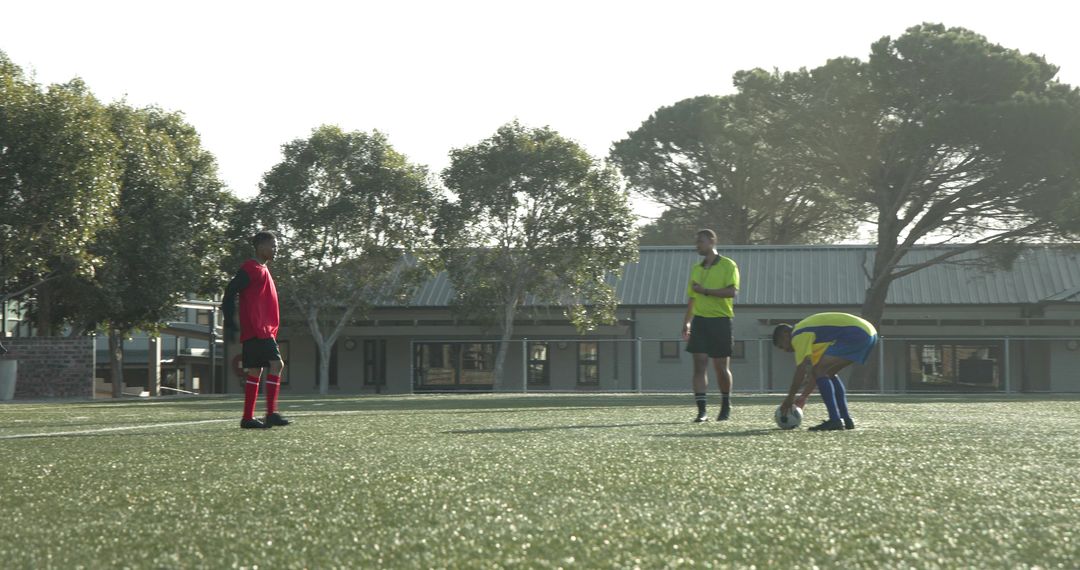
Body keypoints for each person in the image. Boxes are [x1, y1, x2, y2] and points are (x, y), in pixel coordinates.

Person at [223, 231, 290, 429]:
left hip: (259, 329)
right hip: (260, 329)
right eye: (272, 245)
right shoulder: (250, 268)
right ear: (260, 246)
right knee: (277, 365)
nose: (275, 249)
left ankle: (247, 418)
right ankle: (271, 414)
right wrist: (229, 321)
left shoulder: (263, 268)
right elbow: (230, 291)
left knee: (255, 370)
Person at [772, 312, 879, 431]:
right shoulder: (812, 337)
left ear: (785, 334)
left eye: (782, 346)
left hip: (857, 333)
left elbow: (801, 370)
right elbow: (816, 375)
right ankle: (846, 420)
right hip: (870, 333)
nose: (785, 350)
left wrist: (790, 398)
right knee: (828, 373)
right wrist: (803, 397)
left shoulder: (798, 335)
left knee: (821, 370)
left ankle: (835, 420)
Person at [682, 229, 739, 422]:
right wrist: (687, 322)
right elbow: (692, 297)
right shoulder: (697, 268)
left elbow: (732, 292)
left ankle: (725, 405)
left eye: (701, 241)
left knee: (721, 367)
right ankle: (702, 411)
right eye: (696, 241)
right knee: (699, 365)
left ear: (712, 241)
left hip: (721, 320)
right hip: (700, 321)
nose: (697, 245)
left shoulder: (728, 265)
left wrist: (705, 291)